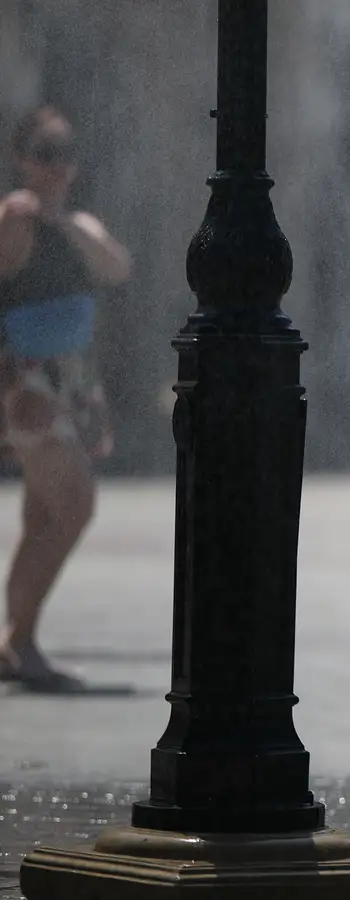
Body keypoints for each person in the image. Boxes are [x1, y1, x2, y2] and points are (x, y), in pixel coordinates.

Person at [0, 105, 130, 690]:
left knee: (40, 515)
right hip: (27, 382)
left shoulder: (78, 224)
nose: (55, 166)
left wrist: (62, 221)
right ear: (22, 160)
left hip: (74, 381)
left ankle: (16, 641)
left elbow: (117, 266)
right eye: (44, 154)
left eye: (64, 155)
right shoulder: (13, 220)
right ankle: (20, 641)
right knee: (74, 504)